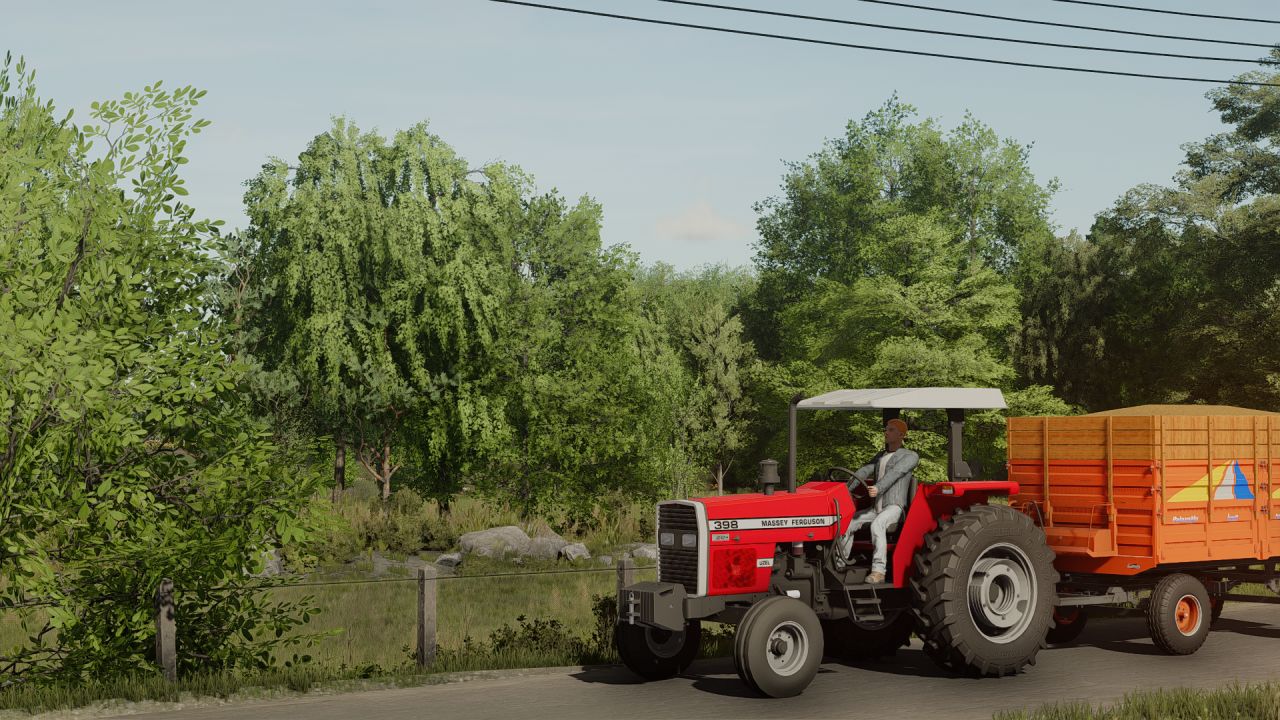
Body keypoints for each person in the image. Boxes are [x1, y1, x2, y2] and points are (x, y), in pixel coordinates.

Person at [835, 418, 918, 584]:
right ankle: (839, 565)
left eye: (891, 430)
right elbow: (864, 470)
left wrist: (878, 487)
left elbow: (896, 473)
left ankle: (879, 571)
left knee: (877, 524)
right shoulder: (881, 456)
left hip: (894, 507)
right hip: (876, 509)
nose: (886, 432)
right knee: (847, 523)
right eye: (886, 429)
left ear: (901, 435)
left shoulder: (910, 456)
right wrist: (845, 490)